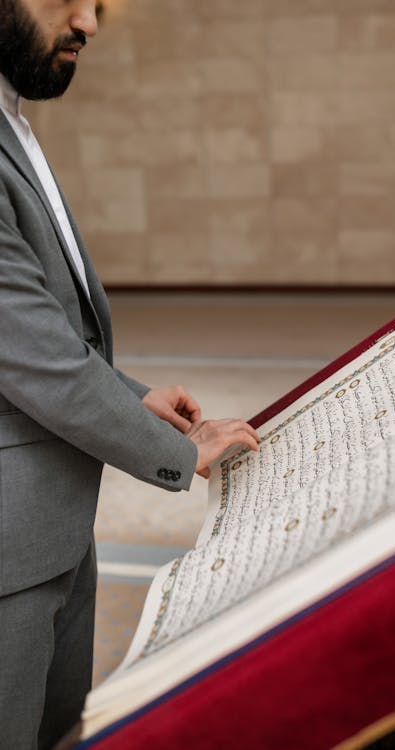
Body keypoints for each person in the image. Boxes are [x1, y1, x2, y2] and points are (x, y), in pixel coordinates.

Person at [0, 2, 260, 748]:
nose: (88, 19)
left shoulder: (13, 121)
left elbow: (39, 330)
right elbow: (38, 362)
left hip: (52, 520)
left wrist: (133, 398)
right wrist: (183, 455)